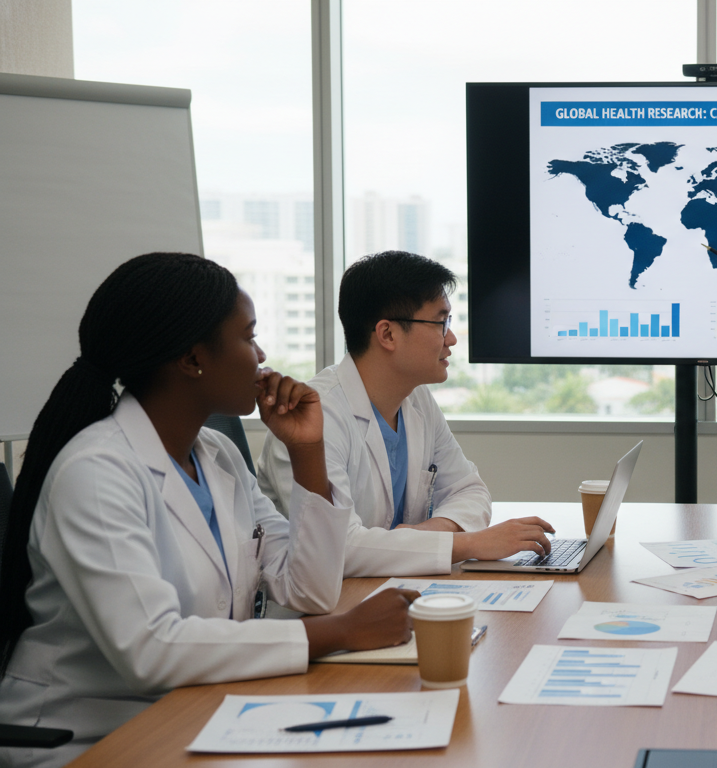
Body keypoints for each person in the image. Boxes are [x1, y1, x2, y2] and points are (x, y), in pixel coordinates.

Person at [0, 253, 418, 768]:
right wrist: (341, 631)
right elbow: (152, 650)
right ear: (194, 359)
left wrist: (308, 450)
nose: (262, 354)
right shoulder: (96, 473)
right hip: (84, 736)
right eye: (248, 337)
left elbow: (309, 588)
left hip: (191, 712)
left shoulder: (215, 457)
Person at [258, 251, 554, 576]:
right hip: (318, 614)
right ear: (387, 334)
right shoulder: (311, 419)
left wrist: (418, 537)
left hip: (391, 591)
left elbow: (469, 490)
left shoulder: (416, 399)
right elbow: (338, 549)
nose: (451, 339)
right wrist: (469, 544)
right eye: (441, 323)